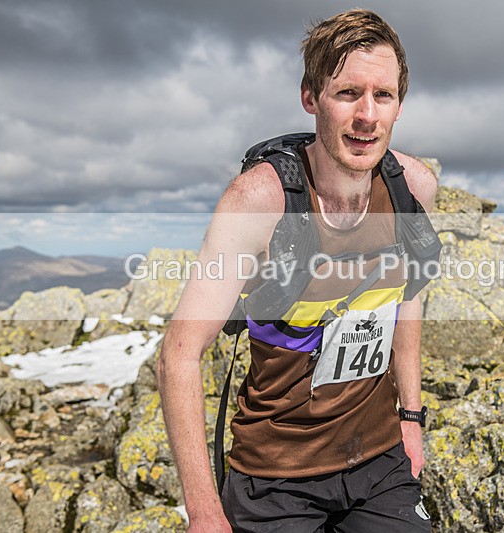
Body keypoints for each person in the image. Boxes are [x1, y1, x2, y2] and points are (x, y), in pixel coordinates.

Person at [158, 9, 437, 532]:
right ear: (310, 97)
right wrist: (204, 512)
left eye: (384, 95)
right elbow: (178, 355)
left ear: (400, 103)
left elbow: (406, 297)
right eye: (348, 93)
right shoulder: (260, 200)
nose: (367, 116)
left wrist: (412, 418)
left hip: (379, 462)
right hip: (275, 476)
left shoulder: (411, 188)